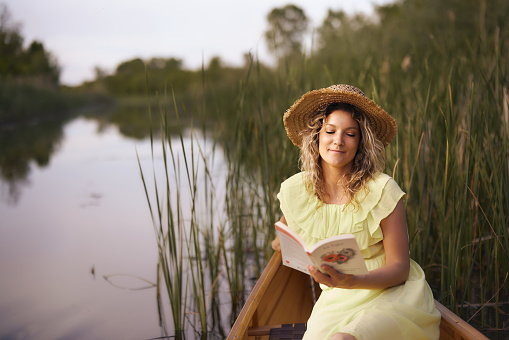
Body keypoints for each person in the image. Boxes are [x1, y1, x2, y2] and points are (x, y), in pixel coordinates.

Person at [272, 84, 441, 340]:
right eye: (330, 131)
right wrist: (286, 246)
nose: (338, 140)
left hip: (390, 293)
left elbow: (400, 268)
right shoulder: (297, 189)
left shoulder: (383, 190)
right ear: (317, 136)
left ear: (361, 141)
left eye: (350, 134)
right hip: (336, 297)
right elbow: (281, 238)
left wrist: (351, 281)